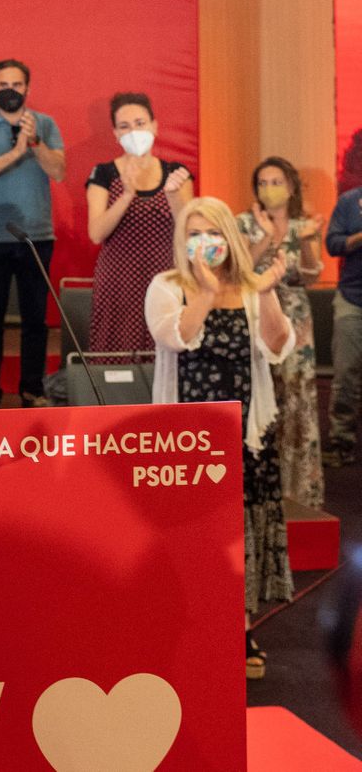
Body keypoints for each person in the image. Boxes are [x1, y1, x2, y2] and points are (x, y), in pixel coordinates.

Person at [145, 196, 293, 679]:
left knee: (242, 535)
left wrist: (267, 292)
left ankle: (241, 627)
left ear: (229, 236)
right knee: (194, 536)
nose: (203, 242)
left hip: (245, 433)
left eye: (211, 232)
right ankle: (189, 624)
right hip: (189, 439)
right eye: (193, 233)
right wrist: (205, 295)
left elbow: (276, 347)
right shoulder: (167, 286)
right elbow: (174, 337)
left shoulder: (253, 288)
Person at [0, 59, 66, 409]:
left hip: (36, 235)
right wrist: (15, 152)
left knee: (35, 318)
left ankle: (32, 389)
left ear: (27, 89)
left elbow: (60, 171)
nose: (10, 90)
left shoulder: (45, 124)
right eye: (3, 84)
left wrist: (34, 143)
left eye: (17, 85)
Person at [238, 158, 324, 506]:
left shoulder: (305, 224)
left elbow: (311, 274)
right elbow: (238, 268)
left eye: (276, 181)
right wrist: (268, 237)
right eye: (262, 182)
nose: (269, 188)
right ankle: (258, 489)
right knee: (262, 396)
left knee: (296, 399)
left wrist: (303, 241)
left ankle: (298, 493)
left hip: (296, 320)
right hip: (255, 316)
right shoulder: (244, 222)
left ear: (290, 187)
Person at [86, 93, 193, 358]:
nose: (134, 131)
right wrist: (126, 194)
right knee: (118, 353)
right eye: (125, 126)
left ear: (155, 126)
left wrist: (172, 195)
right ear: (115, 133)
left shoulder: (176, 172)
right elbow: (96, 233)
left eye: (140, 123)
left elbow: (188, 229)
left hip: (166, 275)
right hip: (119, 281)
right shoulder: (104, 173)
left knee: (165, 349)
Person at [328, 180, 362, 468]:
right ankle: (341, 442)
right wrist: (358, 237)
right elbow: (332, 244)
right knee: (346, 373)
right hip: (352, 299)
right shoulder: (350, 202)